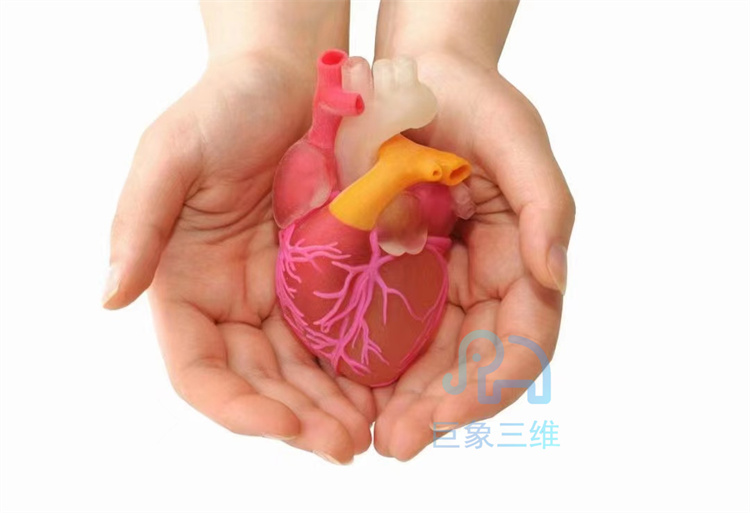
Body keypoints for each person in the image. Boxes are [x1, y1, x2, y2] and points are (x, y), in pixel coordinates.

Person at [102, 0, 575, 465]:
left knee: (344, 246)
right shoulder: (324, 231)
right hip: (361, 289)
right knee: (330, 250)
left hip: (377, 284)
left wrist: (446, 49)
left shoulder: (366, 232)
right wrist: (268, 54)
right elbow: (330, 249)